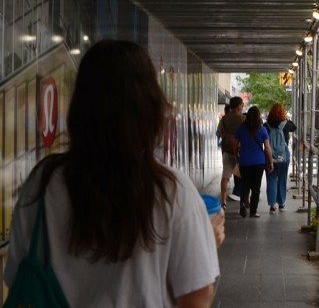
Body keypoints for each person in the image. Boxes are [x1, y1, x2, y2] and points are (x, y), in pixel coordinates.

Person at [4, 40, 224, 307]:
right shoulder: (174, 193)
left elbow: (17, 276)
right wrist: (205, 245)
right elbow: (196, 298)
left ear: (79, 107)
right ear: (151, 110)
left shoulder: (41, 184)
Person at [234, 106, 274, 218]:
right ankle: (253, 211)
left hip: (244, 161)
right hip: (258, 162)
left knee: (245, 185)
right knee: (256, 187)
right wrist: (270, 161)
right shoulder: (262, 130)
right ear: (258, 116)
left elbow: (234, 144)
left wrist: (237, 155)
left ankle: (242, 204)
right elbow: (267, 148)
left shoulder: (240, 129)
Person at [264, 103, 297, 213]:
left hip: (270, 155)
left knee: (271, 178)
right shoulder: (286, 124)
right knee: (282, 179)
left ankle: (272, 205)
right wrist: (287, 119)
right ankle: (282, 204)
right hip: (284, 155)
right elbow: (294, 127)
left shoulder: (266, 126)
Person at [218, 96, 244, 208]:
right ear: (238, 106)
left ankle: (223, 201)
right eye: (242, 104)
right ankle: (245, 200)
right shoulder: (243, 119)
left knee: (225, 176)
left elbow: (218, 133)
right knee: (244, 177)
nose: (243, 106)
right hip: (240, 152)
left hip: (227, 151)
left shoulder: (224, 118)